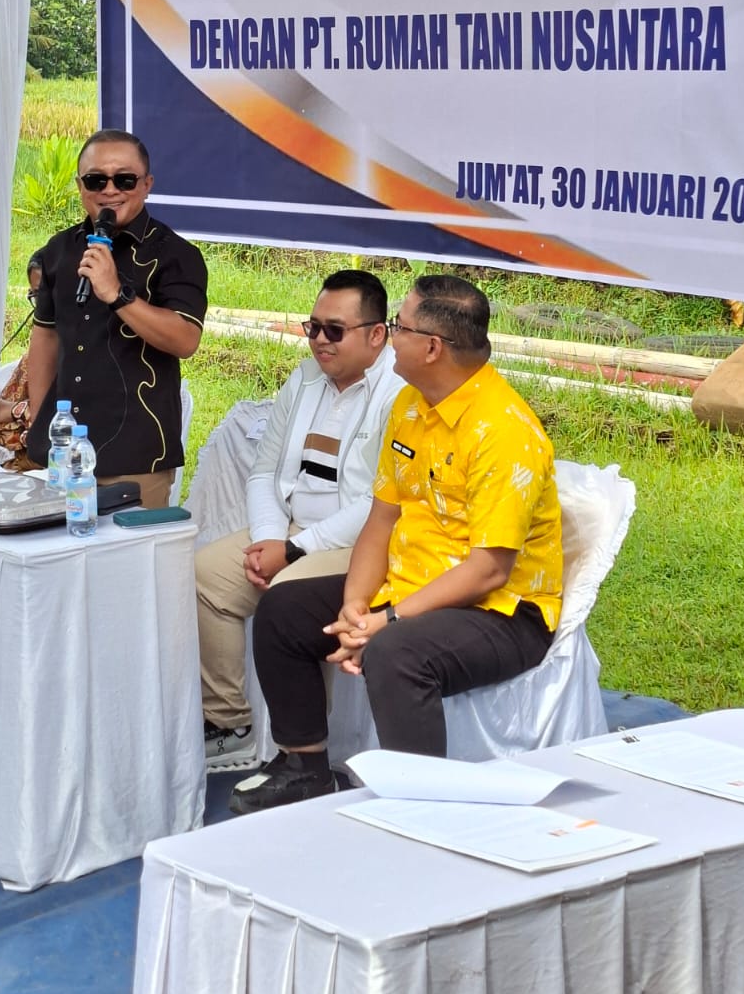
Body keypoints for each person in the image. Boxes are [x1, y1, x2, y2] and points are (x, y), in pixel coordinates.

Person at [230, 274, 563, 813]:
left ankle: (421, 807)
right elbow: (381, 520)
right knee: (286, 608)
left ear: (432, 348)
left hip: (502, 612)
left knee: (395, 652)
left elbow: (489, 571)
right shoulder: (410, 405)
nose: (389, 336)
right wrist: (356, 604)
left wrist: (387, 621)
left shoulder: (505, 431)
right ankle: (304, 766)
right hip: (410, 582)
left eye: (398, 327)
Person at [197, 269, 405, 772]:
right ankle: (230, 723)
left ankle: (303, 748)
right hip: (288, 529)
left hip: (357, 544)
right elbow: (265, 470)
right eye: (312, 327)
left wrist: (293, 551)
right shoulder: (305, 378)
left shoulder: (400, 392)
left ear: (377, 334)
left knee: (291, 595)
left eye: (334, 330)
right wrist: (270, 538)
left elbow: (378, 505)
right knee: (205, 573)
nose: (319, 341)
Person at [24, 130, 207, 509]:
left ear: (146, 185)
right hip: (61, 449)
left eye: (124, 179)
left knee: (124, 567)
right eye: (96, 180)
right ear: (79, 185)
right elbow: (45, 339)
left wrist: (117, 294)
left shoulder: (176, 254)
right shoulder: (60, 250)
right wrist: (41, 420)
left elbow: (185, 340)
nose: (110, 190)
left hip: (134, 455)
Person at [0, 251, 43, 471]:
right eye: (36, 296)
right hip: (27, 473)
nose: (43, 306)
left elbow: (73, 429)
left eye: (48, 293)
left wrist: (16, 410)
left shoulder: (97, 348)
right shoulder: (34, 357)